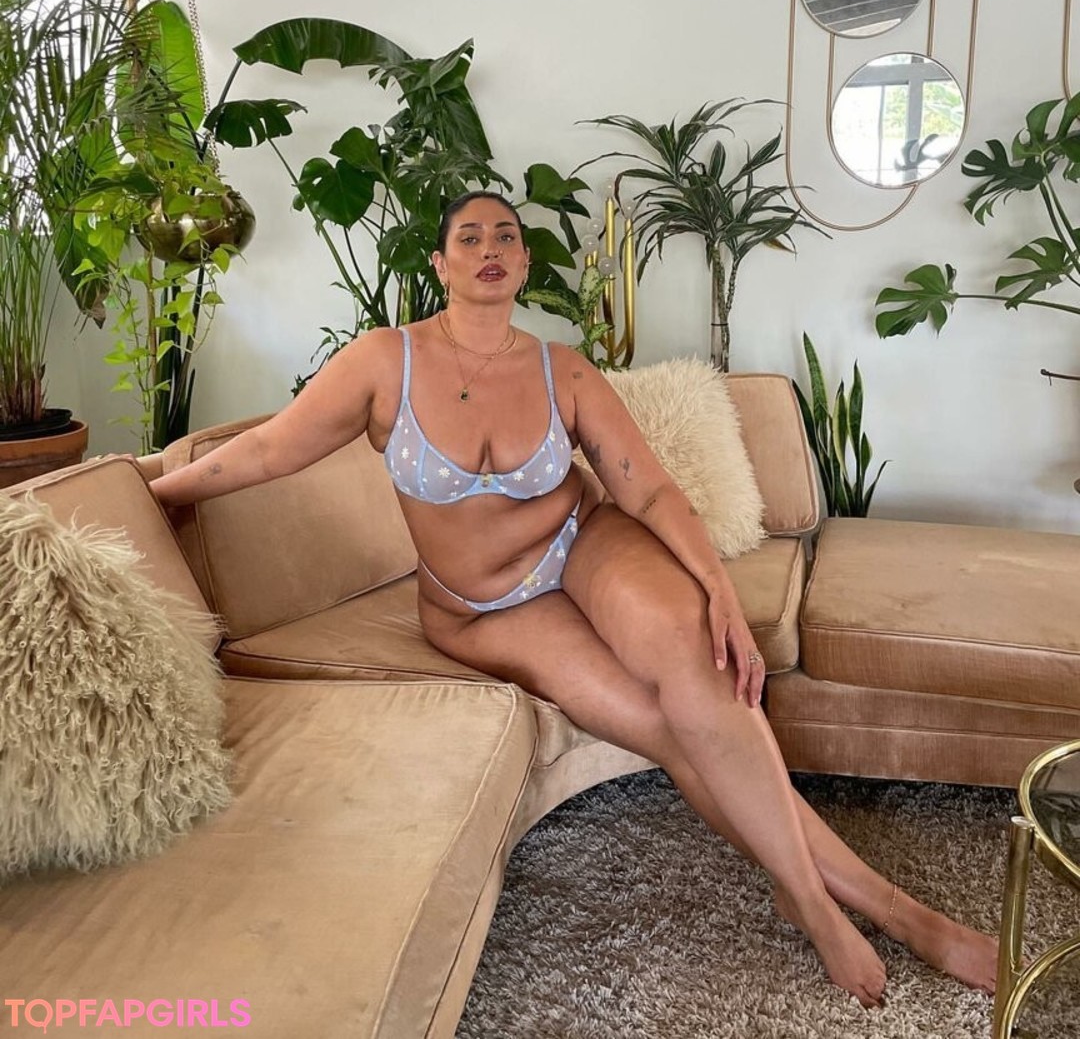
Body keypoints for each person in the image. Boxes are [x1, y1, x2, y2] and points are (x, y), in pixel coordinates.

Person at [151, 190, 998, 1008]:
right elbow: (269, 449)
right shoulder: (385, 360)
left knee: (703, 673)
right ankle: (818, 896)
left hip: (581, 540)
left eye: (506, 237)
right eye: (470, 237)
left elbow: (651, 492)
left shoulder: (562, 369)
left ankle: (883, 911)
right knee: (667, 727)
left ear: (524, 264)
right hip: (484, 607)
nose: (490, 249)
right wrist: (156, 488)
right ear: (440, 263)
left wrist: (720, 593)